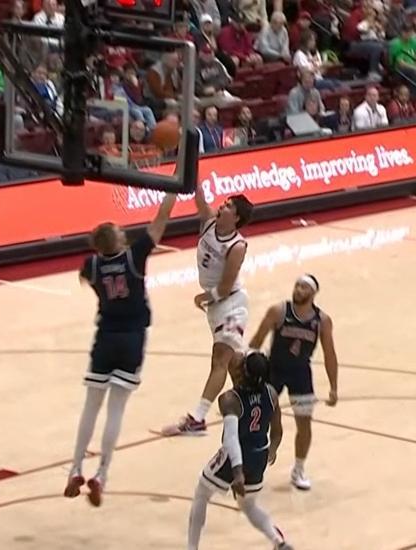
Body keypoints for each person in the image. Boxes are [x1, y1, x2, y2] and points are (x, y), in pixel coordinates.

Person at [64, 193, 177, 506]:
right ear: (115, 239)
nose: (124, 230)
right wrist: (172, 191)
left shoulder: (92, 265)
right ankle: (101, 473)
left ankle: (75, 467)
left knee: (91, 406)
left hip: (105, 336)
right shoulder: (134, 257)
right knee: (116, 410)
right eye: (119, 230)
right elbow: (160, 221)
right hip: (132, 338)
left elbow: (86, 279)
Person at [161, 187, 254, 436]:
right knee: (234, 363)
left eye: (228, 206)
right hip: (215, 307)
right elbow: (199, 195)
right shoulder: (209, 222)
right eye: (224, 203)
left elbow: (225, 286)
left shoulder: (237, 246)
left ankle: (197, 418)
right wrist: (190, 170)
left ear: (236, 218)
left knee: (220, 359)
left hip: (232, 304)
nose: (222, 206)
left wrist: (202, 297)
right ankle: (253, 403)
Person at [187, 351, 293, 550]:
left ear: (243, 371)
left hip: (237, 457)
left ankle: (191, 548)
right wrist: (270, 453)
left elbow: (231, 439)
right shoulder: (271, 393)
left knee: (202, 492)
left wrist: (238, 473)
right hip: (259, 454)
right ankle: (279, 542)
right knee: (249, 505)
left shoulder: (230, 399)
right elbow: (277, 432)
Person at [248, 274, 338, 491]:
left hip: (300, 374)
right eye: (297, 285)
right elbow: (256, 342)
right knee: (255, 420)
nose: (298, 290)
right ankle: (247, 468)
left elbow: (330, 354)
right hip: (274, 370)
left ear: (313, 293)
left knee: (304, 424)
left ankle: (298, 470)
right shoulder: (279, 311)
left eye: (304, 287)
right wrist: (246, 377)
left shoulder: (322, 321)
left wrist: (333, 386)